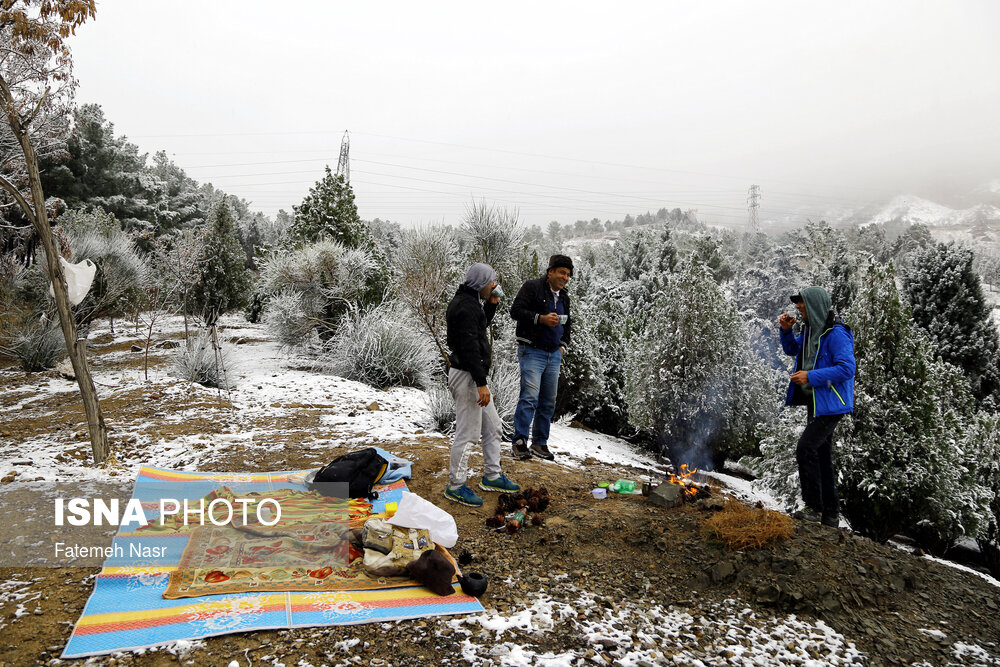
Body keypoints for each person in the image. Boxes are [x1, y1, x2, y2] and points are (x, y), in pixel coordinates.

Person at [444, 263, 521, 506]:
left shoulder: (469, 302)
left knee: (493, 427)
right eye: (491, 281)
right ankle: (455, 486)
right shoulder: (466, 307)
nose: (494, 285)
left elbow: (478, 328)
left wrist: (491, 305)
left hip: (470, 375)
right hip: (467, 376)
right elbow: (469, 348)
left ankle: (492, 475)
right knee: (467, 435)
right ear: (481, 282)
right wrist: (481, 383)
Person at [778, 286, 856, 528]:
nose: (798, 307)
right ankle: (831, 514)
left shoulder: (836, 334)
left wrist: (811, 377)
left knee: (806, 448)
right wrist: (786, 331)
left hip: (833, 403)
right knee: (821, 455)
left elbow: (847, 369)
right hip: (817, 402)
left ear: (814, 305)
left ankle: (813, 507)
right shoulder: (812, 331)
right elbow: (792, 349)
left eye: (802, 303)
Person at [509, 254, 574, 460]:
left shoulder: (564, 297)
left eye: (568, 274)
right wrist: (541, 319)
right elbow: (515, 310)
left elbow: (568, 325)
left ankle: (540, 443)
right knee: (529, 397)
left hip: (553, 354)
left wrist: (563, 346)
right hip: (532, 350)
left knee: (548, 401)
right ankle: (519, 442)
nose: (565, 277)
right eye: (562, 272)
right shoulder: (532, 287)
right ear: (550, 272)